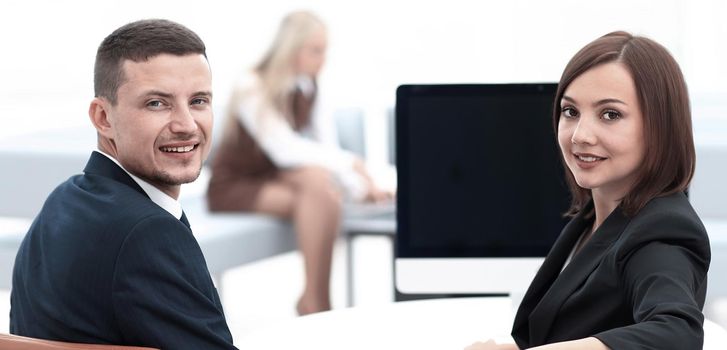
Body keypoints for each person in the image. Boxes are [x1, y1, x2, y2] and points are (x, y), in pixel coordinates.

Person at [466, 31, 710, 349]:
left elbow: (677, 334)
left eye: (610, 114)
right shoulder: (594, 217)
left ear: (659, 127)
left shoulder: (662, 231)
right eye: (571, 112)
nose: (580, 135)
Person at [10, 19, 238, 349]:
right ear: (103, 118)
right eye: (157, 103)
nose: (187, 125)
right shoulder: (148, 234)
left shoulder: (62, 201)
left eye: (199, 101)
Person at [207, 11, 392, 315]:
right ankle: (317, 302)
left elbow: (323, 145)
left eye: (324, 51)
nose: (323, 59)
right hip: (236, 185)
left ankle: (314, 298)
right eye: (316, 50)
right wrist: (353, 164)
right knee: (320, 189)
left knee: (320, 186)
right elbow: (285, 150)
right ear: (292, 49)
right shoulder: (252, 85)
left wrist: (361, 188)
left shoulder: (309, 87)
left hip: (276, 178)